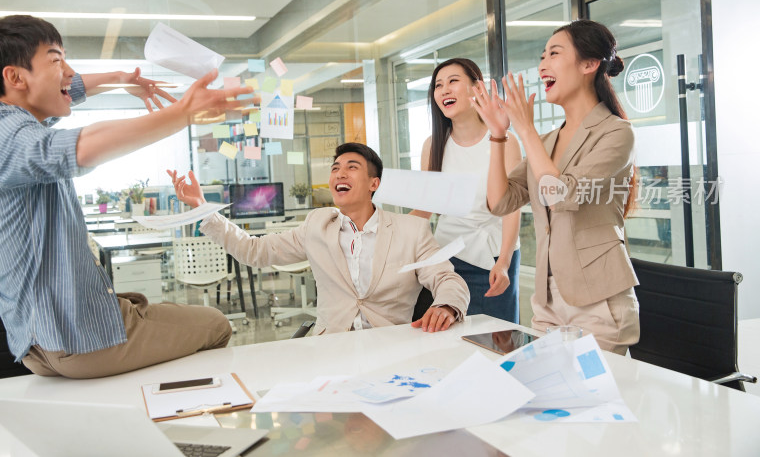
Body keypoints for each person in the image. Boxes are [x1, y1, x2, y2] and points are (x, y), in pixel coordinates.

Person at [0, 15, 259, 378]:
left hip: (42, 341)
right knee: (215, 325)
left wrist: (121, 80)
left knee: (153, 312)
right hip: (78, 339)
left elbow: (68, 92)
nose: (68, 71)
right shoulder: (6, 136)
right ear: (15, 77)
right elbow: (78, 148)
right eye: (56, 60)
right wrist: (182, 113)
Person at [168, 142, 470, 334]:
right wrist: (202, 209)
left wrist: (446, 306)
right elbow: (254, 251)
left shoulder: (411, 230)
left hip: (389, 345)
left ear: (373, 183)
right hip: (331, 348)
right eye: (335, 169)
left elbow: (447, 280)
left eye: (352, 168)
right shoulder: (317, 225)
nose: (340, 174)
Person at [474, 19, 639, 354]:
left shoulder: (616, 132)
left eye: (554, 53)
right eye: (542, 56)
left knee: (594, 400)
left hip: (599, 300)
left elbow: (561, 195)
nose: (542, 64)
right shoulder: (546, 142)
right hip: (547, 302)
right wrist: (498, 134)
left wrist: (525, 129)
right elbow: (500, 202)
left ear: (589, 64)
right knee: (549, 399)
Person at [410, 58, 523, 323]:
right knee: (447, 339)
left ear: (476, 88)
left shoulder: (504, 140)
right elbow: (426, 208)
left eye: (453, 81)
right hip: (446, 258)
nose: (444, 90)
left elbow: (512, 209)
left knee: (496, 338)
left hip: (495, 257)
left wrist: (505, 261)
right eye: (438, 86)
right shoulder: (433, 144)